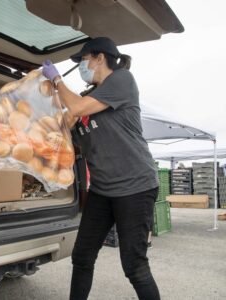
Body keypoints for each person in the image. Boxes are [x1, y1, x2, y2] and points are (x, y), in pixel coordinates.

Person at [42, 37, 160, 300]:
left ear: (99, 58)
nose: (83, 66)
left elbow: (77, 107)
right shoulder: (89, 96)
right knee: (82, 256)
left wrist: (58, 81)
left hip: (135, 187)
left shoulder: (121, 81)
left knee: (134, 265)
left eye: (84, 60)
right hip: (103, 190)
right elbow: (62, 127)